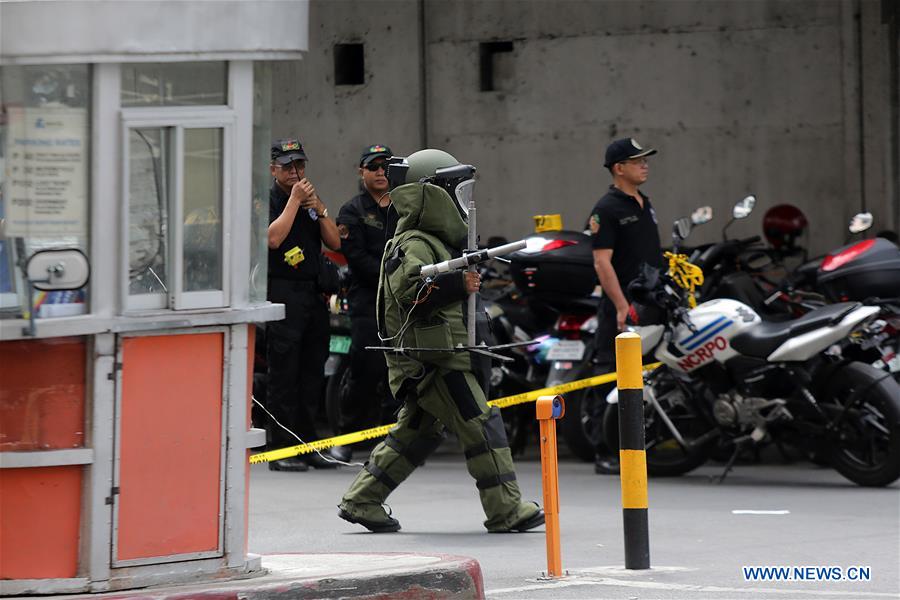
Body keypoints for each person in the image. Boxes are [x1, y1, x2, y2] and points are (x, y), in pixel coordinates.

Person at [337, 148, 544, 533]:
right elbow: (408, 292)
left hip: (438, 355)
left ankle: (361, 500)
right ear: (430, 196)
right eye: (455, 193)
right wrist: (454, 283)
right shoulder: (414, 242)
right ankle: (505, 510)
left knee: (415, 433)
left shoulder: (432, 241)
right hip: (434, 360)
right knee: (481, 425)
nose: (462, 203)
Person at [587, 138, 664, 475]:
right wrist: (621, 306)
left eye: (646, 160)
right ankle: (605, 449)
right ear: (619, 168)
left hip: (650, 303)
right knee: (611, 377)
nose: (645, 165)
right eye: (637, 160)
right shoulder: (607, 209)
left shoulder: (643, 202)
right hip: (622, 308)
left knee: (646, 375)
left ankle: (638, 444)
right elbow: (602, 263)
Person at [266, 138, 342, 472]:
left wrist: (319, 207)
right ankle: (279, 448)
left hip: (313, 295)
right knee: (284, 373)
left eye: (299, 165)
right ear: (274, 169)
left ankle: (307, 444)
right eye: (287, 166)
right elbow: (273, 238)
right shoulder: (267, 199)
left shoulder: (310, 199)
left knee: (313, 370)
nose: (295, 172)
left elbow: (334, 241)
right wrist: (294, 201)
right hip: (283, 291)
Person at [332, 145, 401, 461]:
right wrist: (394, 274)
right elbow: (356, 258)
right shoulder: (352, 211)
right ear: (361, 172)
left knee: (400, 369)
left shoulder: (405, 206)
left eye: (385, 166)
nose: (380, 172)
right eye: (373, 166)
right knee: (366, 366)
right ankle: (347, 436)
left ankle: (394, 439)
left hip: (402, 300)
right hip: (367, 299)